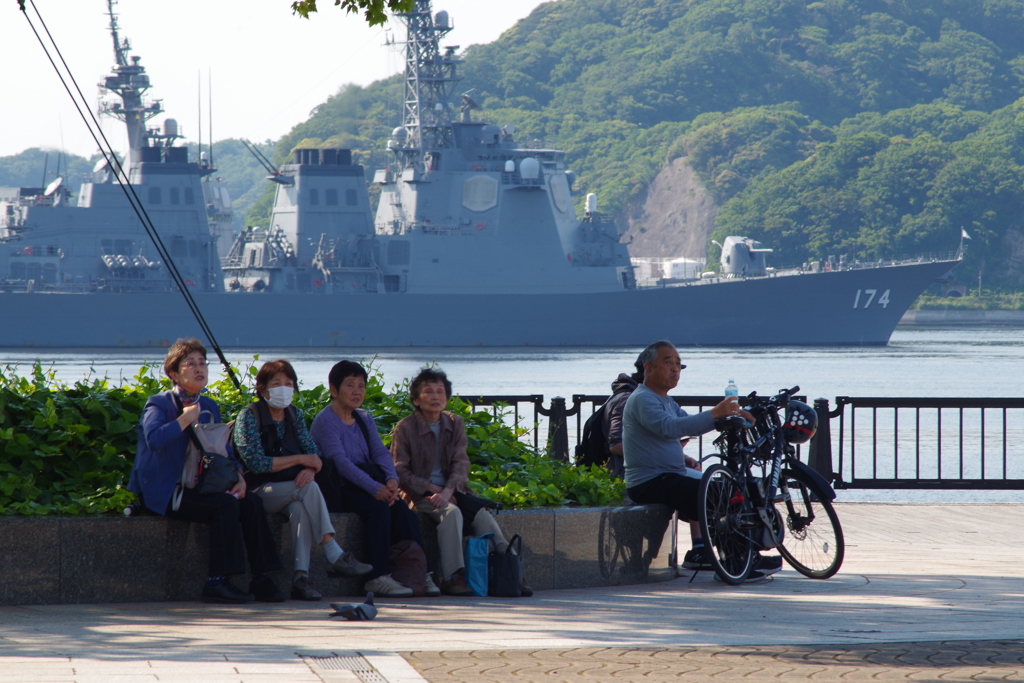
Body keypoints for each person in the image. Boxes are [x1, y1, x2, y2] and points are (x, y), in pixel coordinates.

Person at [128, 338, 284, 603]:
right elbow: (153, 440)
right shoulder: (159, 404)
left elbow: (221, 449)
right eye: (191, 364)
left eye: (202, 363)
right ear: (174, 374)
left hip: (200, 486)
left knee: (251, 503)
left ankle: (262, 578)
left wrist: (238, 477)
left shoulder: (209, 406)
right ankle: (217, 581)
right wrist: (185, 419)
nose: (199, 368)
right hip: (166, 492)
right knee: (225, 506)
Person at [622, 340, 782, 581]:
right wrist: (716, 412)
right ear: (649, 368)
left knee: (730, 489)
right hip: (651, 481)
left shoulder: (665, 400)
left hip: (669, 476)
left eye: (678, 364)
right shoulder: (643, 398)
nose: (675, 369)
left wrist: (732, 413)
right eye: (668, 363)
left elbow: (689, 424)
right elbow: (670, 428)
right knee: (718, 494)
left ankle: (740, 556)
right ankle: (736, 561)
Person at [234, 359, 372, 601]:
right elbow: (256, 462)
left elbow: (315, 457)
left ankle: (300, 578)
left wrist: (310, 469)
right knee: (307, 490)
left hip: (292, 489)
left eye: (289, 383)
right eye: (277, 383)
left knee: (300, 508)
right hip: (258, 490)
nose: (284, 388)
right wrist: (300, 460)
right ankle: (332, 551)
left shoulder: (294, 415)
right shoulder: (249, 415)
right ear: (263, 389)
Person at [391, 367, 531, 597]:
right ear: (416, 399)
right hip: (419, 495)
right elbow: (399, 471)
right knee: (452, 513)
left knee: (483, 517)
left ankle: (512, 570)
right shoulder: (405, 427)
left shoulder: (455, 423)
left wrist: (447, 490)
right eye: (429, 391)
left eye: (440, 391)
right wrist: (433, 488)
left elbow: (461, 464)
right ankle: (450, 576)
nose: (436, 396)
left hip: (453, 491)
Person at [310, 360, 435, 598]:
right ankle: (377, 577)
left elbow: (380, 452)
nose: (357, 391)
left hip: (367, 485)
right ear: (334, 390)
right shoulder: (325, 421)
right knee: (379, 509)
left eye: (361, 385)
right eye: (350, 385)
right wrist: (375, 489)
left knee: (404, 512)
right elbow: (341, 463)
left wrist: (391, 481)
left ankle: (419, 572)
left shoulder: (363, 418)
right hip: (339, 488)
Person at [602, 358, 644, 480]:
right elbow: (616, 445)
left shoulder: (643, 398)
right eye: (669, 364)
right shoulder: (626, 400)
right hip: (626, 476)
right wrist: (660, 456)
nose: (675, 371)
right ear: (650, 371)